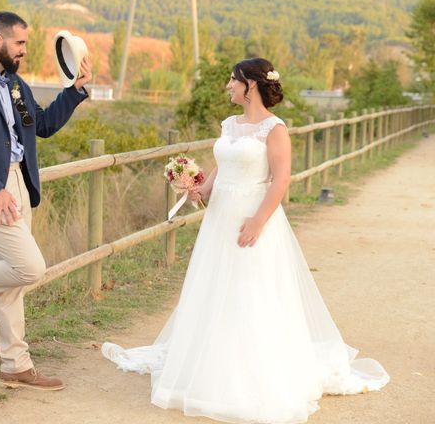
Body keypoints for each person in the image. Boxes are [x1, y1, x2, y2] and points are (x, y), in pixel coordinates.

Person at [102, 58, 389, 422]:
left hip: (253, 215)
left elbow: (281, 180)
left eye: (233, 80)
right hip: (221, 217)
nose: (228, 86)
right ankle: (211, 362)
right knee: (215, 287)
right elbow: (223, 166)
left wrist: (258, 220)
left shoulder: (274, 129)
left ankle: (248, 372)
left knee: (251, 289)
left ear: (250, 85)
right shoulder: (230, 125)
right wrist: (198, 188)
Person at [0, 11, 91, 391]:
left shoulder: (14, 85)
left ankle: (14, 364)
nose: (24, 50)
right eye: (20, 43)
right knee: (30, 267)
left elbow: (40, 125)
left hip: (19, 184)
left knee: (13, 278)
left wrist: (75, 92)